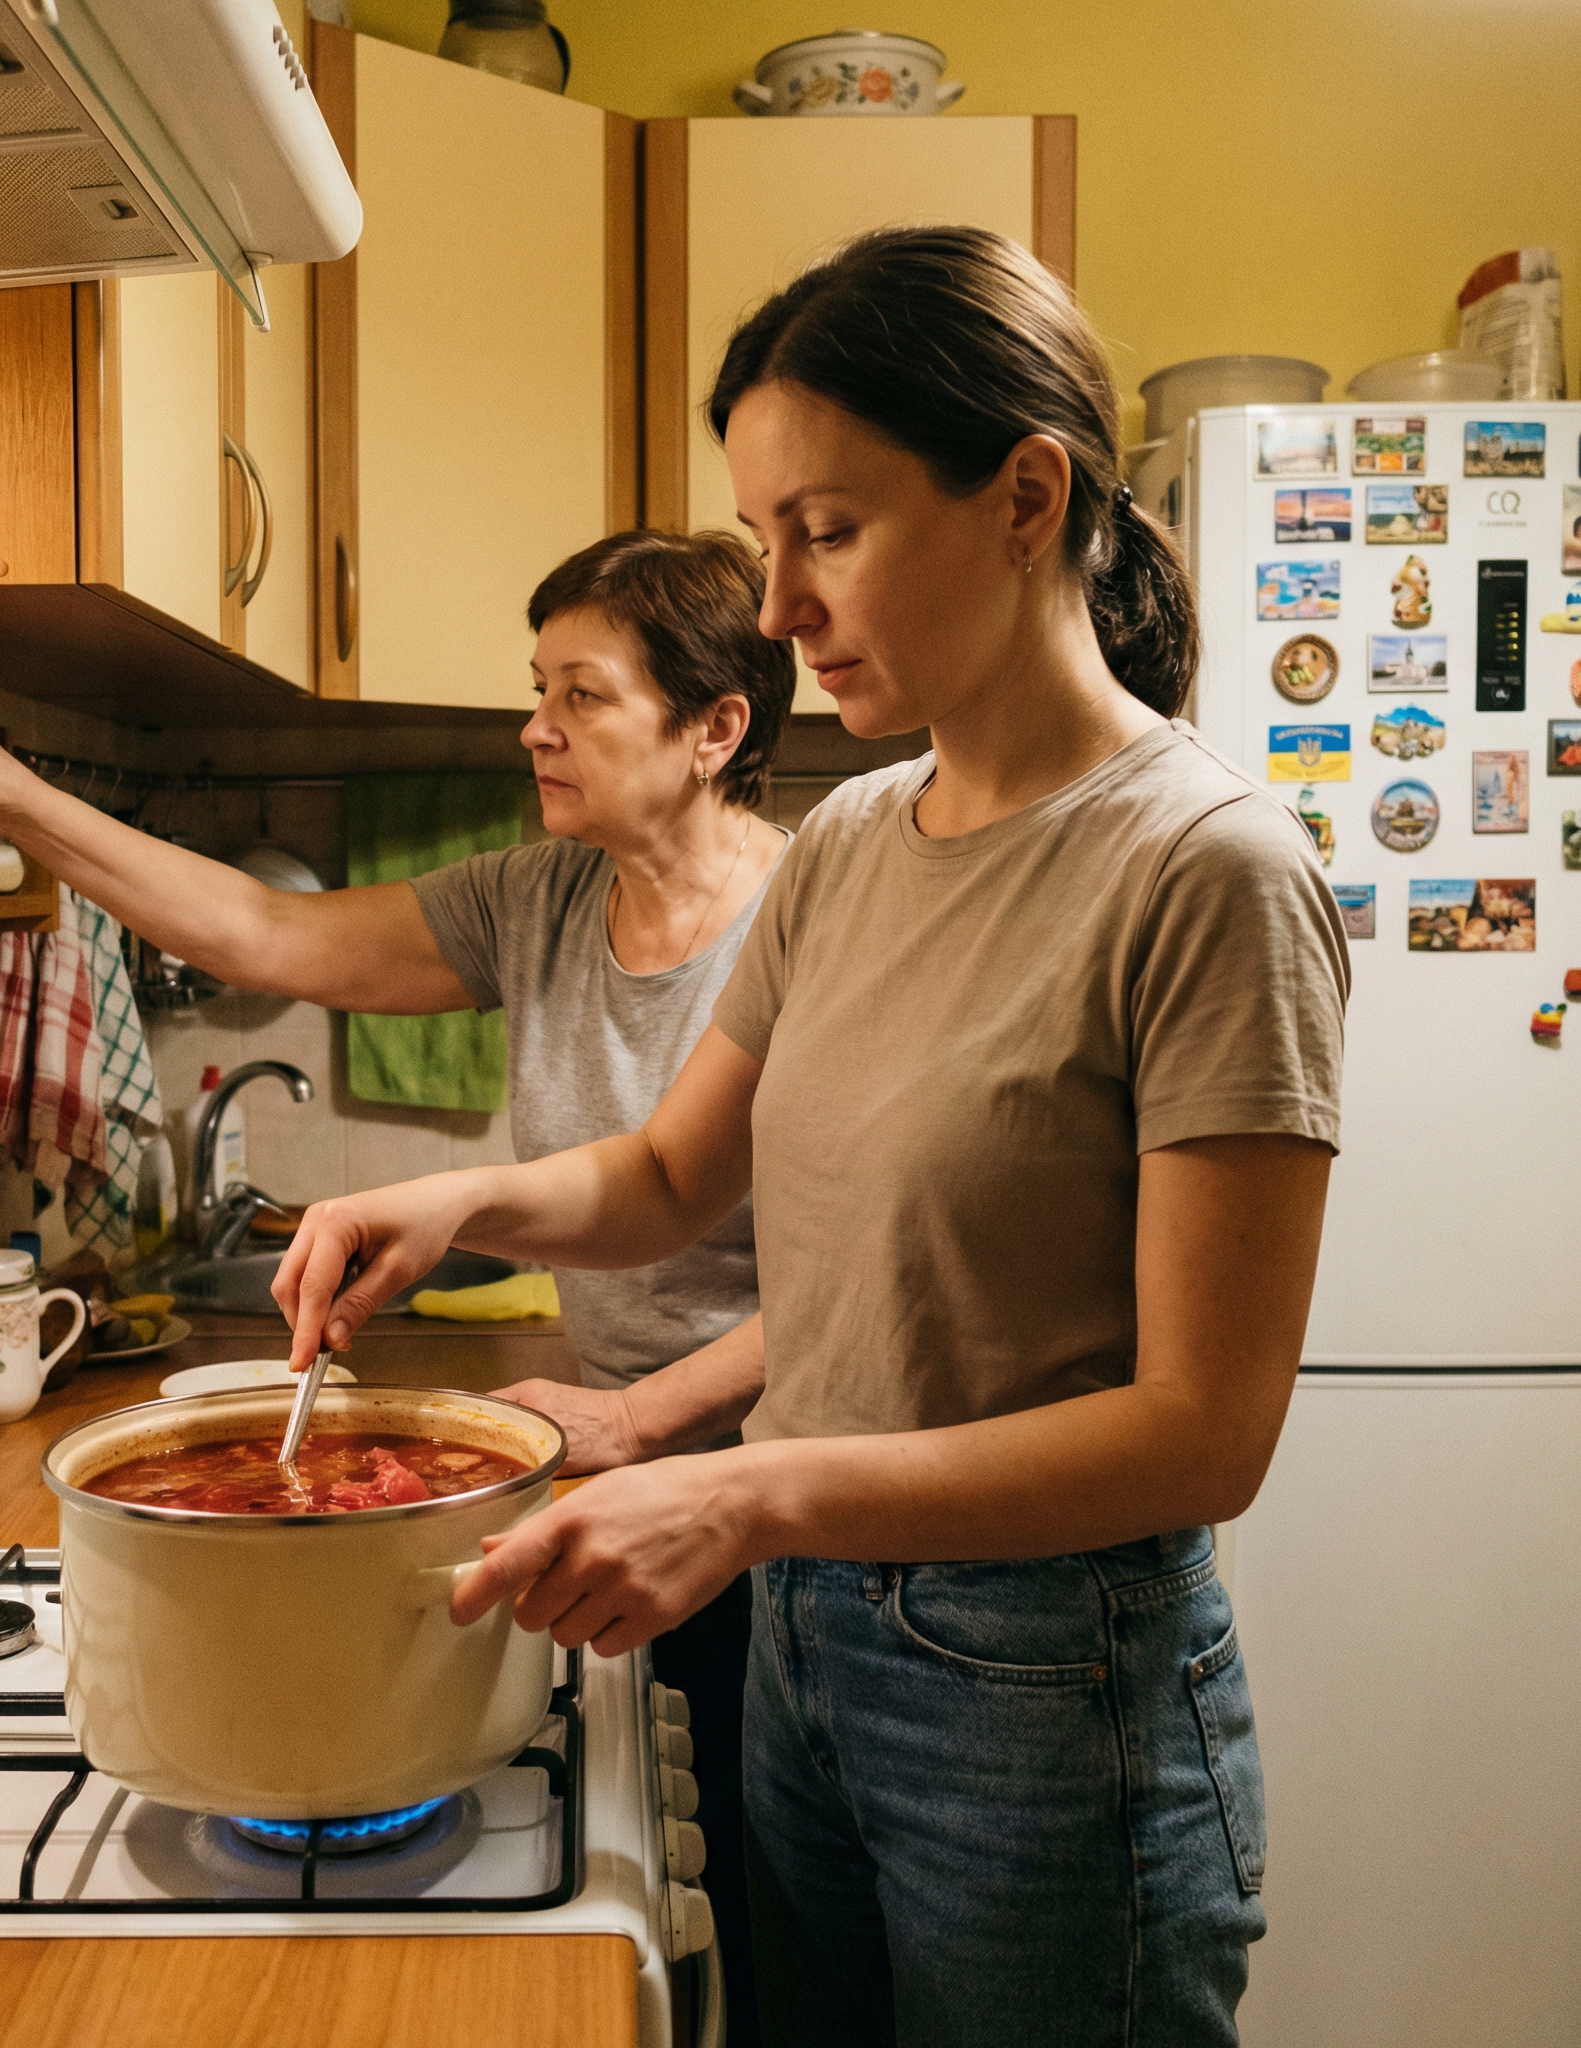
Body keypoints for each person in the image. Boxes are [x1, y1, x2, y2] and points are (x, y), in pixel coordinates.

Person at [271, 225, 1350, 2046]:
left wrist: (744, 1486)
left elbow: (1203, 1433)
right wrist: (447, 1201)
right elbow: (670, 1178)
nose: (775, 609)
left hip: (1043, 1708)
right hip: (809, 1654)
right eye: (765, 537)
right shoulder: (851, 842)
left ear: (1026, 496)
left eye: (824, 532)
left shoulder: (1207, 871)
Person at [0, 526, 795, 2046]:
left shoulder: (809, 918)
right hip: (608, 1468)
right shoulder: (543, 895)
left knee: (770, 1919)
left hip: (777, 1495)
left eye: (582, 694)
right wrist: (11, 793)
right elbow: (267, 930)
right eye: (533, 688)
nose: (533, 727)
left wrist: (651, 1418)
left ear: (715, 729)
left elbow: (878, 1274)